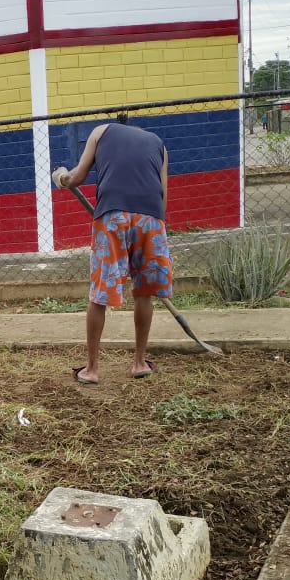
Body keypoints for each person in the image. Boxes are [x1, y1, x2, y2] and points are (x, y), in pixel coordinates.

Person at [54, 118, 171, 385]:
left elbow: (77, 177)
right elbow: (163, 197)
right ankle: (140, 363)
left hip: (113, 215)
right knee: (144, 293)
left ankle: (92, 369)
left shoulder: (100, 132)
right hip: (152, 219)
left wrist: (61, 177)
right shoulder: (159, 145)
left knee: (100, 293)